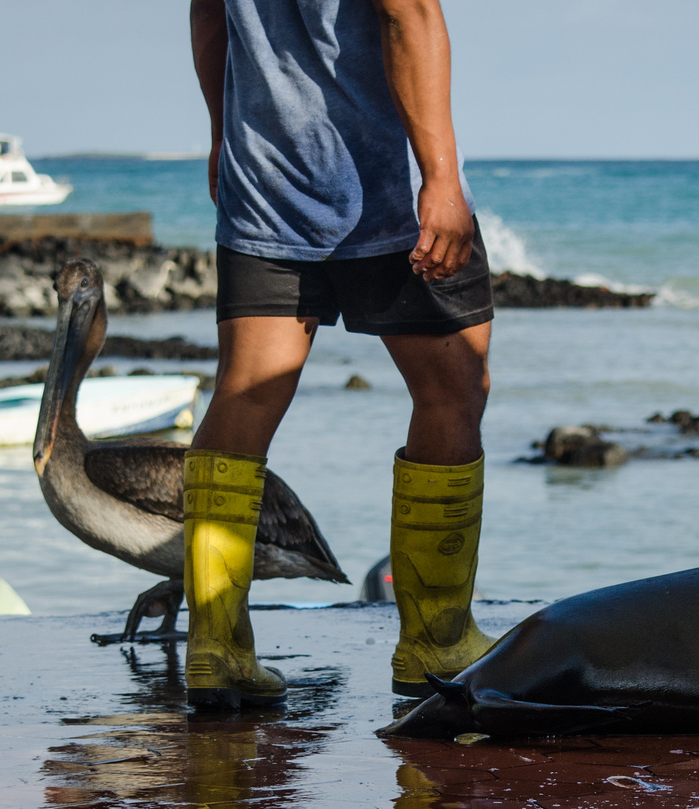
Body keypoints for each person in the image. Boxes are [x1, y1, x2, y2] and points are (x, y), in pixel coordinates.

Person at [186, 0, 496, 709]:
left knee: (245, 394)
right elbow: (408, 12)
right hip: (384, 191)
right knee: (453, 390)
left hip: (262, 179)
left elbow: (209, 16)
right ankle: (435, 641)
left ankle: (217, 651)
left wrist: (219, 138)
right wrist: (440, 178)